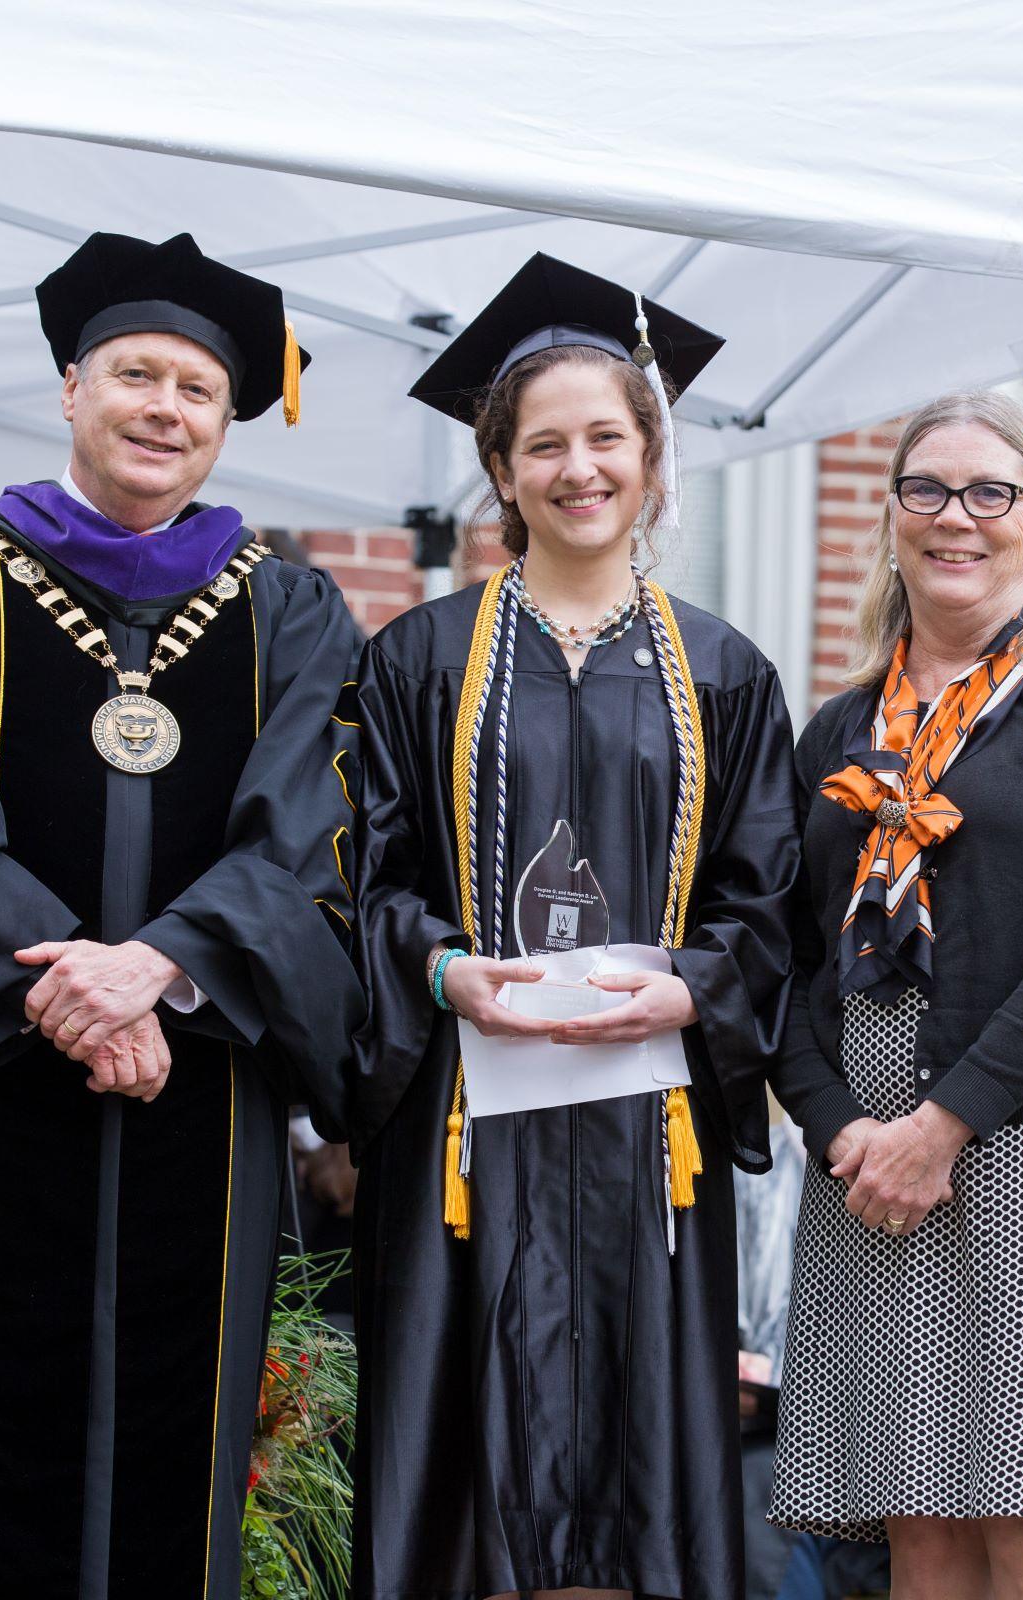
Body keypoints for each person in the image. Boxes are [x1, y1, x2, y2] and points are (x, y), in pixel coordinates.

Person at [0, 231, 363, 1600]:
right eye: (134, 375)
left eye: (198, 392)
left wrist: (160, 967)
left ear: (228, 421)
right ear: (69, 389)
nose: (164, 409)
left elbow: (313, 835)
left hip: (198, 1092)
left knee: (178, 1462)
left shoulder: (292, 612)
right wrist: (71, 996)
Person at [350, 253, 798, 1600]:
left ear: (652, 459)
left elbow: (769, 896)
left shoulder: (727, 672)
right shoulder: (417, 662)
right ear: (502, 469)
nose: (578, 467)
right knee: (465, 1491)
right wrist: (441, 970)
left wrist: (695, 992)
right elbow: (357, 876)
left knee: (641, 1466)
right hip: (463, 1134)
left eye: (608, 437)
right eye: (545, 443)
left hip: (647, 1136)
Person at [764, 389, 1023, 1600]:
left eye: (991, 492)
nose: (958, 518)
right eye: (927, 490)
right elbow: (782, 966)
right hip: (868, 1170)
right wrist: (839, 1128)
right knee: (920, 1530)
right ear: (890, 519)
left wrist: (943, 1126)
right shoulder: (838, 728)